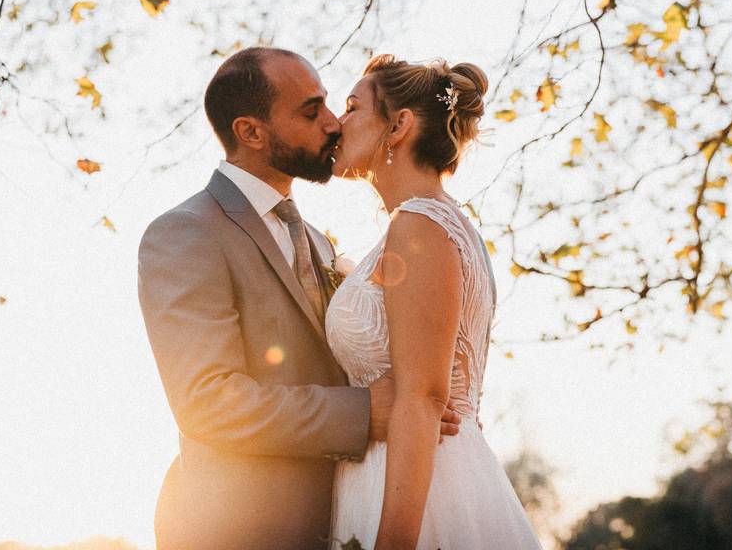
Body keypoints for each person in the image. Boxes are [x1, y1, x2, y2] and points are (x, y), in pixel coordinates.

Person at [137, 47, 460, 550]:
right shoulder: (185, 233)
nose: (333, 124)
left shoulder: (319, 241)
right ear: (251, 132)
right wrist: (362, 413)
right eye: (311, 112)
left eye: (331, 105)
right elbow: (206, 402)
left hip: (341, 519)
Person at [327, 54, 542, 549]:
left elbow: (423, 399)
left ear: (399, 125)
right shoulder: (436, 223)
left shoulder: (420, 225)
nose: (338, 124)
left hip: (418, 487)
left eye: (352, 107)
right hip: (427, 468)